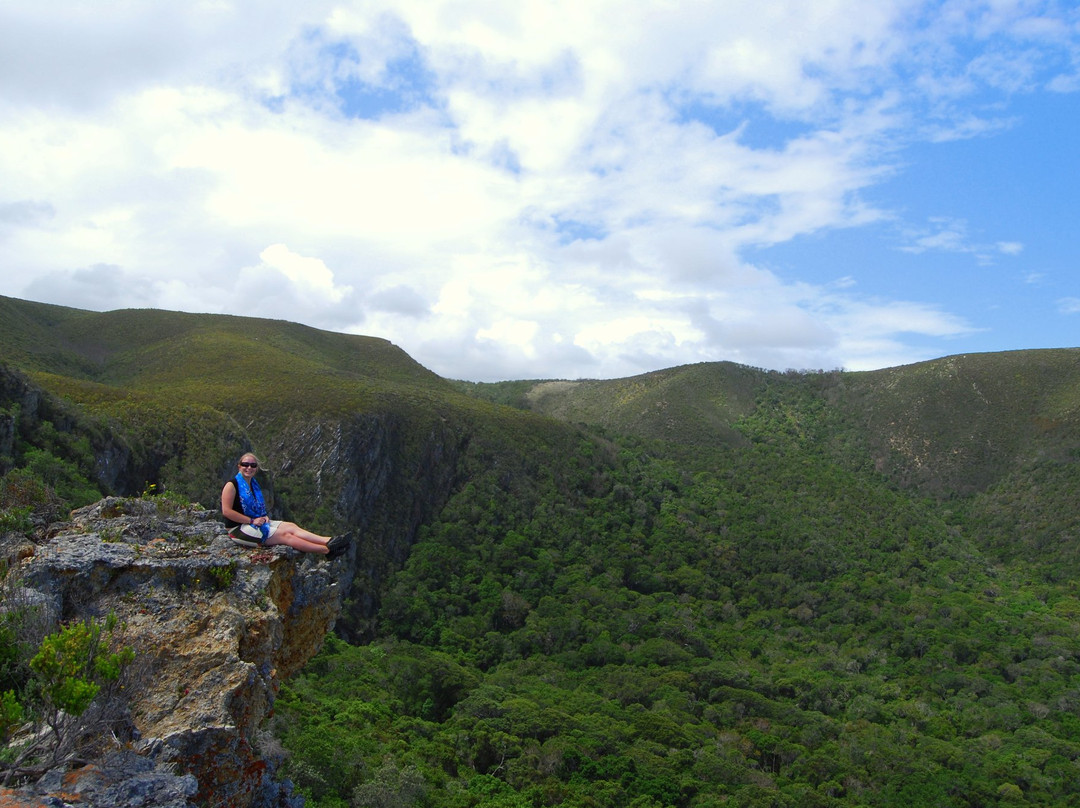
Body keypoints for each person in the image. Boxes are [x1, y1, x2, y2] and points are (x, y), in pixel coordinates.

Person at [221, 452, 350, 557]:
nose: (249, 468)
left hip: (255, 522)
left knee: (291, 526)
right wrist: (251, 520)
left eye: (253, 465)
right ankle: (327, 550)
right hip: (238, 529)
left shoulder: (253, 485)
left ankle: (329, 540)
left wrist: (263, 516)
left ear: (256, 468)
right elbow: (226, 511)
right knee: (285, 536)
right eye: (245, 464)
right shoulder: (232, 485)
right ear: (239, 466)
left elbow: (257, 509)